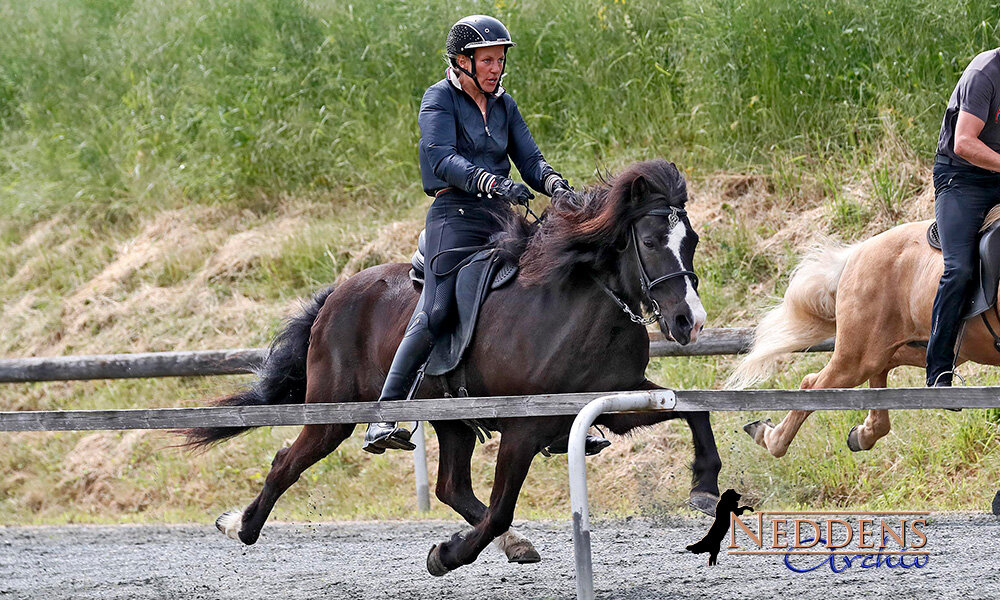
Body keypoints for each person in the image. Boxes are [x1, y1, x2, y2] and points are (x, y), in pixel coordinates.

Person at [363, 15, 607, 455]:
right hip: (453, 216)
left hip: (500, 217)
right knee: (436, 310)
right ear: (462, 61)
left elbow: (530, 160)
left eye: (499, 60)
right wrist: (491, 182)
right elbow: (441, 158)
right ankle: (385, 414)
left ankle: (557, 418)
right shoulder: (438, 99)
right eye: (488, 60)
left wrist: (554, 185)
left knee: (546, 289)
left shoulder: (505, 105)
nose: (496, 68)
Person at [927, 48, 1000, 387]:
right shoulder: (984, 73)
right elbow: (964, 143)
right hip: (961, 178)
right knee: (960, 268)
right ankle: (939, 368)